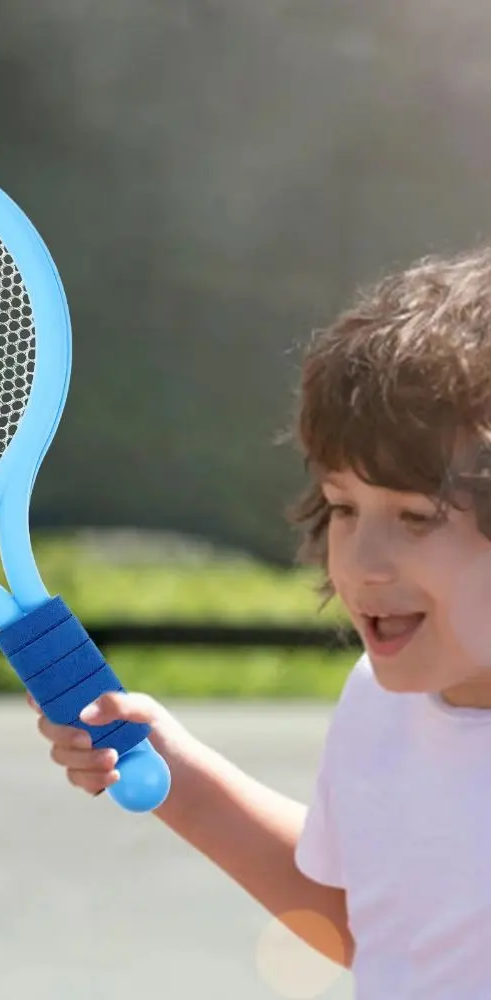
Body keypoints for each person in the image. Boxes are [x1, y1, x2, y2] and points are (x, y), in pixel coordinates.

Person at [29, 247, 491, 997]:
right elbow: (369, 926)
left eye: (416, 517)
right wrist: (179, 776)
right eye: (343, 508)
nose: (362, 562)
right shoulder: (377, 702)